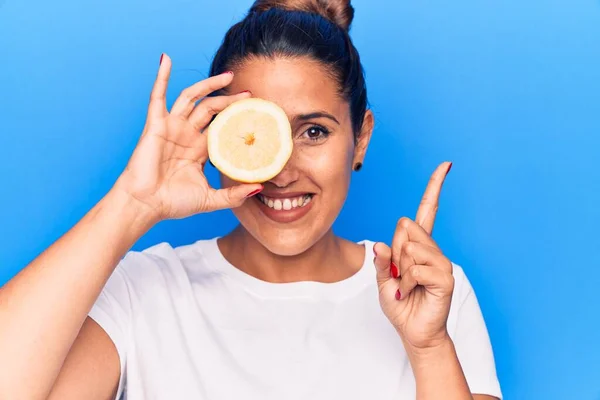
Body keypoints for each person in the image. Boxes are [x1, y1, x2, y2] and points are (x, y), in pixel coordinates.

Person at [0, 0, 502, 399]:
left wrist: (429, 347)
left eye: (313, 131)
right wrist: (133, 204)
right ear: (215, 139)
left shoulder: (431, 294)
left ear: (361, 138)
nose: (282, 172)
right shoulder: (142, 292)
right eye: (255, 135)